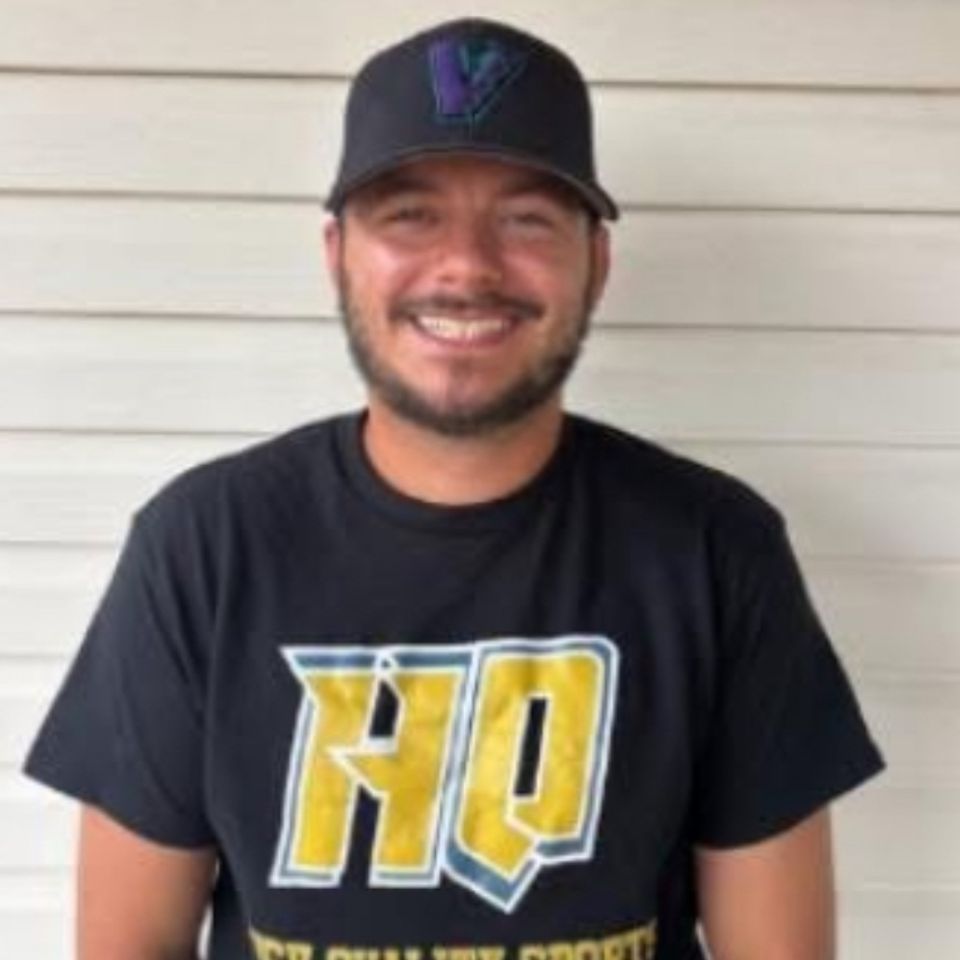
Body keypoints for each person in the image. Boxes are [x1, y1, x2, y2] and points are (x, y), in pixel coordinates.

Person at [24, 17, 884, 960]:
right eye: (409, 215)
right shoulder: (204, 547)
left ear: (595, 264)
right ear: (337, 255)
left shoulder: (717, 550)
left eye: (525, 220)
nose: (468, 266)